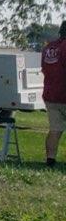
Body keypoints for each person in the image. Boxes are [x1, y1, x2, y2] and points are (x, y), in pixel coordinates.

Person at [45, 21, 65, 167]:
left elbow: (44, 69)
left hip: (50, 94)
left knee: (55, 129)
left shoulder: (49, 47)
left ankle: (50, 159)